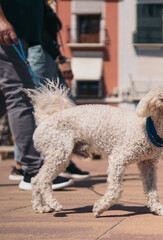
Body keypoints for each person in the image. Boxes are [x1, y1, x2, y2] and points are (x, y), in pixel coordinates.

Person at [8, 3, 90, 181]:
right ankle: (26, 165)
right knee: (34, 108)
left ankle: (58, 161)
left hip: (46, 54)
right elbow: (41, 33)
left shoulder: (44, 5)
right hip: (41, 54)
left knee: (64, 107)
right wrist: (59, 58)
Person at [0, 0, 73, 190]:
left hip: (17, 33)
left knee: (13, 96)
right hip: (7, 31)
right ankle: (33, 170)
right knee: (20, 94)